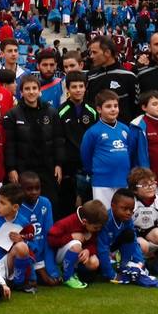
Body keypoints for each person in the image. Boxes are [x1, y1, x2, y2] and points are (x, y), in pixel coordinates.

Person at [79, 90, 147, 206]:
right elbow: (86, 156)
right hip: (102, 182)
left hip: (123, 180)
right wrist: (95, 172)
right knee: (103, 215)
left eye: (115, 106)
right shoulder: (93, 132)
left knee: (124, 213)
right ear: (99, 109)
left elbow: (130, 153)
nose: (113, 109)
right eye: (108, 106)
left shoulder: (125, 129)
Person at [3, 74, 60, 207]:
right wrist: (11, 168)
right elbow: (9, 145)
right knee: (23, 204)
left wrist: (58, 164)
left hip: (47, 167)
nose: (31, 92)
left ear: (40, 91)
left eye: (34, 88)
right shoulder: (12, 114)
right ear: (21, 92)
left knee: (49, 203)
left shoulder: (51, 112)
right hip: (23, 167)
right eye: (27, 89)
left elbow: (58, 139)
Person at [55, 70, 97, 219]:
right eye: (74, 87)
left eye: (81, 86)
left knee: (89, 203)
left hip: (90, 165)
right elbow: (58, 139)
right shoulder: (60, 111)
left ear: (86, 88)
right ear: (68, 89)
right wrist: (59, 163)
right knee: (69, 203)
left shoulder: (93, 110)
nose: (78, 90)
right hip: (69, 165)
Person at [46, 200, 106, 289]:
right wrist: (71, 237)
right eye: (96, 227)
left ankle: (75, 273)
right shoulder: (67, 222)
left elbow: (93, 243)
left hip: (77, 253)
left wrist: (88, 250)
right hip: (58, 254)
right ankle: (68, 277)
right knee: (76, 245)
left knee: (94, 262)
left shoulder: (91, 223)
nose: (98, 230)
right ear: (85, 221)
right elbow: (51, 240)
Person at [131, 90, 158, 187]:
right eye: (154, 104)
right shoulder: (137, 126)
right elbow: (131, 152)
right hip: (148, 178)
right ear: (144, 107)